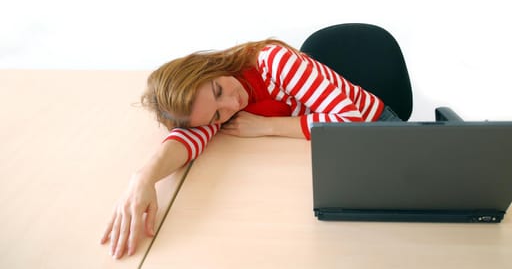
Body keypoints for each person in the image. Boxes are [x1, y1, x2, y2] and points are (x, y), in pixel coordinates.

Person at [100, 39, 401, 259]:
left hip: (379, 131)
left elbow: (349, 123)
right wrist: (143, 178)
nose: (232, 105)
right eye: (217, 116)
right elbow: (189, 139)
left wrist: (266, 126)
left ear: (208, 66)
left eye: (219, 91)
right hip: (335, 151)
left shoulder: (273, 62)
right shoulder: (207, 107)